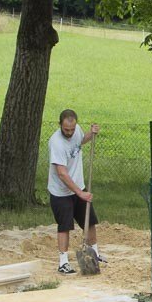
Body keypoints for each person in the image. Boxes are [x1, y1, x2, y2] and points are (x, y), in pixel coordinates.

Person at [48, 109, 104, 274]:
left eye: (72, 129)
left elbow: (80, 142)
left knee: (90, 221)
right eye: (66, 130)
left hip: (78, 187)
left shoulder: (76, 131)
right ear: (60, 125)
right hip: (61, 192)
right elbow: (62, 173)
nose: (70, 133)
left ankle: (95, 254)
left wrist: (91, 134)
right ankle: (63, 262)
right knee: (65, 226)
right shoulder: (56, 143)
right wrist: (80, 193)